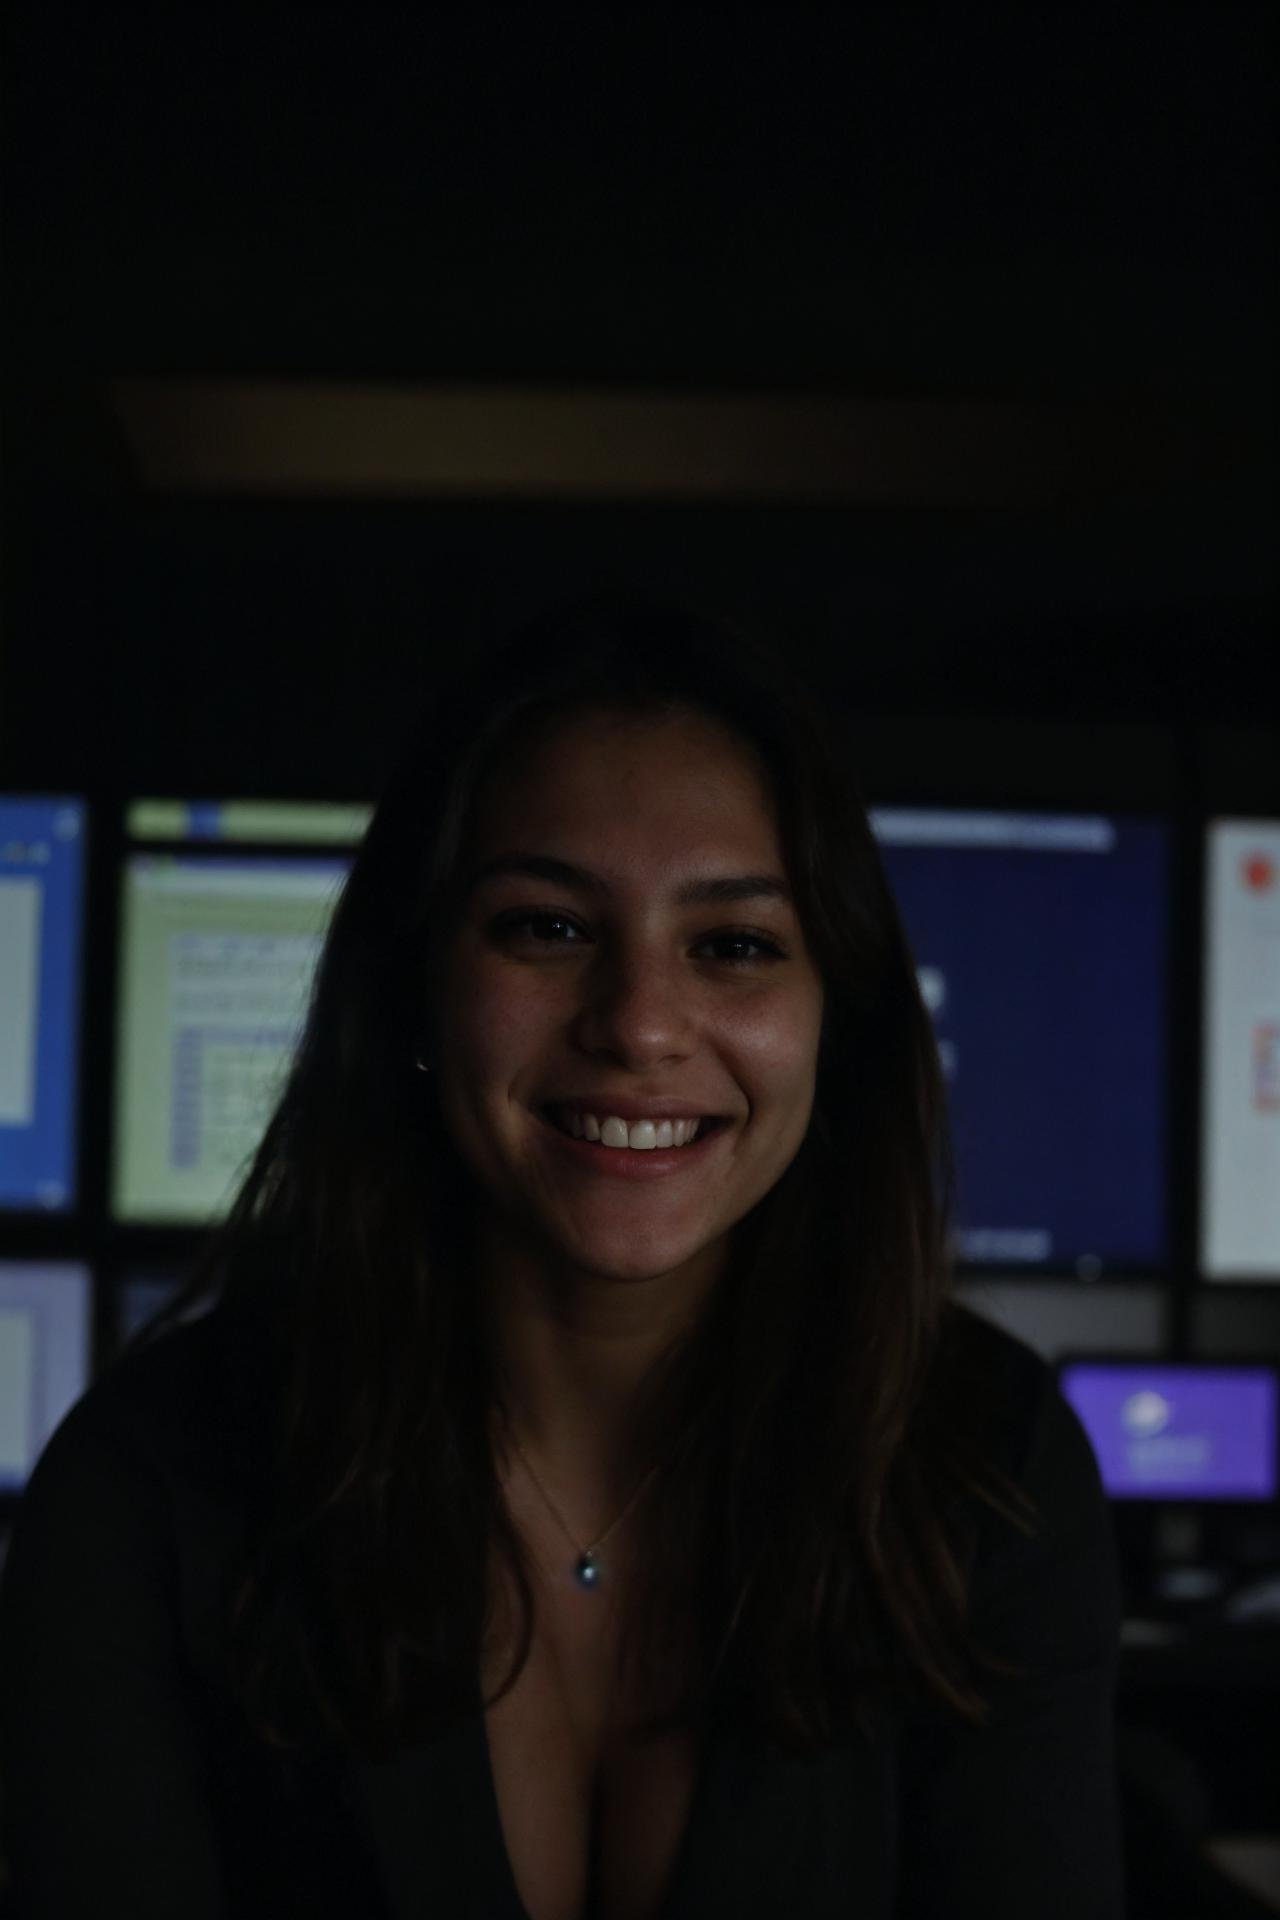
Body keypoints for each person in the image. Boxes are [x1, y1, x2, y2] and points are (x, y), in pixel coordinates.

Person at [0, 595, 1127, 1918]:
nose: (641, 1024)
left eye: (735, 945)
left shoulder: (988, 1470)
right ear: (417, 986)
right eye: (547, 926)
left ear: (840, 1020)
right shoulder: (148, 1489)